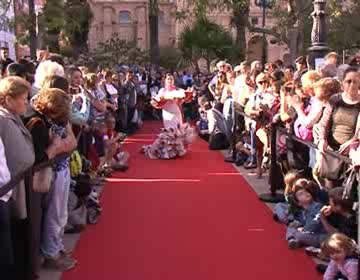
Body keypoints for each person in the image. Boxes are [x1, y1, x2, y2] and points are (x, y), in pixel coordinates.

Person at [142, 73, 195, 159]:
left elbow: (185, 98)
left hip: (176, 111)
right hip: (167, 113)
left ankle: (177, 150)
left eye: (171, 79)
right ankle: (168, 152)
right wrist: (160, 100)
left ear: (173, 80)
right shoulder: (162, 90)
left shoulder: (178, 90)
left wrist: (186, 96)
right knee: (169, 131)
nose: (170, 80)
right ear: (165, 80)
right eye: (168, 79)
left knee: (177, 130)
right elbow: (157, 102)